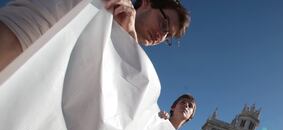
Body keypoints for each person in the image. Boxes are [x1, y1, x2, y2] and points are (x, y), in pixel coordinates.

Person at [0, 0, 190, 71]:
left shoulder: (130, 67)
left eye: (168, 35)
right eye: (163, 23)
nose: (161, 35)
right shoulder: (104, 4)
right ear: (147, 3)